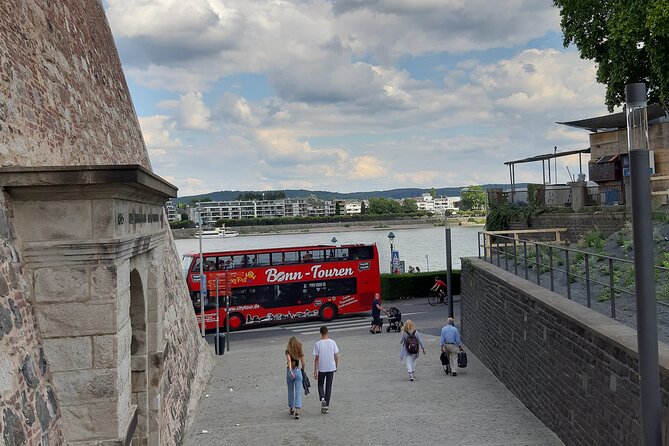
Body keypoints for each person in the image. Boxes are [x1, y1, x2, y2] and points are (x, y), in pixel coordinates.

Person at [313, 325, 339, 414]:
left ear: (320, 333)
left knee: (320, 384)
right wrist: (336, 366)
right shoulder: (332, 342)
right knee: (329, 386)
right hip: (331, 367)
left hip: (322, 368)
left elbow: (316, 358)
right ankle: (326, 406)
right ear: (327, 332)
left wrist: (315, 371)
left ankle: (322, 398)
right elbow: (336, 356)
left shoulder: (318, 344)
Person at [285, 336, 306, 419]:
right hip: (297, 371)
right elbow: (303, 363)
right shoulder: (299, 350)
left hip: (290, 372)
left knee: (290, 390)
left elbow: (289, 361)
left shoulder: (288, 351)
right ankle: (297, 410)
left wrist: (290, 370)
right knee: (298, 391)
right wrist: (302, 370)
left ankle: (291, 408)